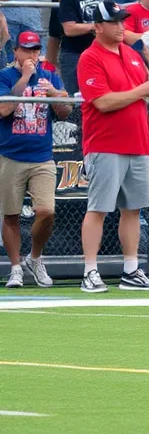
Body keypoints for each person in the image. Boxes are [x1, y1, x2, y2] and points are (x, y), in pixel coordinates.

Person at [77, 0, 149, 293]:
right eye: (113, 22)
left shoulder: (131, 53)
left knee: (134, 209)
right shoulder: (90, 57)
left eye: (121, 20)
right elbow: (102, 102)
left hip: (137, 142)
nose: (120, 26)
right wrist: (142, 90)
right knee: (98, 208)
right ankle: (90, 270)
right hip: (105, 143)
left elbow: (145, 94)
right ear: (97, 27)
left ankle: (131, 269)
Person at [1, 31, 71, 289]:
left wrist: (53, 92)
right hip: (10, 155)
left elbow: (66, 111)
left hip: (42, 156)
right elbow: (5, 108)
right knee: (11, 215)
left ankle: (35, 257)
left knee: (47, 212)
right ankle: (16, 267)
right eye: (26, 49)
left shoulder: (50, 76)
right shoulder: (5, 77)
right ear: (16, 52)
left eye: (35, 50)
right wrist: (27, 77)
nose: (31, 55)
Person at [56, 0, 114, 94]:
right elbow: (69, 28)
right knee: (76, 97)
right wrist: (97, 26)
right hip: (74, 54)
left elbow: (113, 20)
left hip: (101, 52)